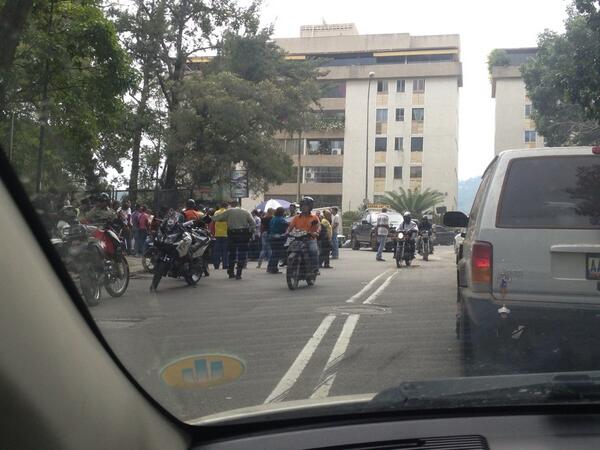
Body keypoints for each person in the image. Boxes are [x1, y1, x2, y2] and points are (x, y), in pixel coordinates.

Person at [213, 201, 255, 280]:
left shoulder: (229, 211)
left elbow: (216, 218)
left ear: (231, 205)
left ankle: (231, 272)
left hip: (232, 234)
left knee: (232, 253)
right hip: (243, 234)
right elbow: (253, 223)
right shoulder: (246, 212)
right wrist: (250, 233)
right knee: (242, 253)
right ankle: (239, 273)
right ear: (239, 205)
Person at [287, 197, 321, 275]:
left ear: (310, 207)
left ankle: (315, 268)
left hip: (310, 238)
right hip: (298, 239)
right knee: (288, 248)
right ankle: (290, 264)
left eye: (306, 205)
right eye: (303, 205)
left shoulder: (314, 217)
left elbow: (319, 226)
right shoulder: (296, 217)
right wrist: (286, 232)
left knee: (313, 250)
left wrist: (316, 232)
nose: (304, 207)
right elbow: (290, 227)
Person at [267, 207, 287, 274]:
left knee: (273, 253)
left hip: (271, 237)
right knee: (277, 254)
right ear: (282, 212)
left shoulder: (273, 218)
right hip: (278, 237)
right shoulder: (282, 219)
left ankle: (269, 267)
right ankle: (274, 269)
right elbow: (286, 226)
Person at [212, 202, 229, 270]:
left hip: (217, 234)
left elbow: (213, 222)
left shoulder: (216, 212)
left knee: (217, 251)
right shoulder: (227, 212)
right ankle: (225, 265)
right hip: (225, 234)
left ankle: (216, 265)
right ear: (226, 206)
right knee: (225, 251)